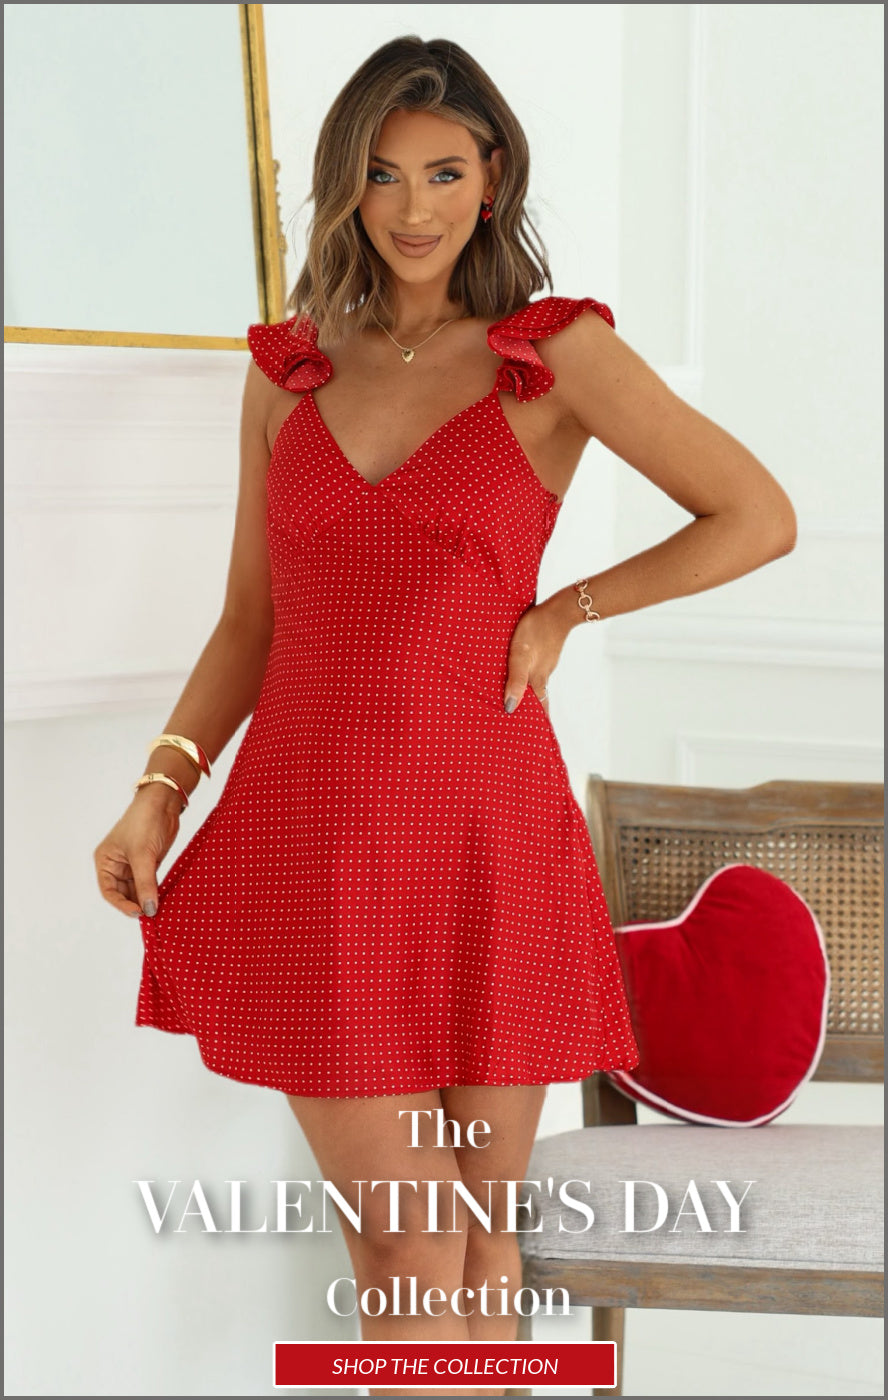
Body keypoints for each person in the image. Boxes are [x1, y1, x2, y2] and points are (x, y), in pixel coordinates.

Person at [93, 35, 796, 1399]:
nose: (413, 208)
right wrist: (161, 789)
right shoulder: (290, 371)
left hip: (487, 842)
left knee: (476, 1268)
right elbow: (251, 621)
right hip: (319, 854)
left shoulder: (555, 357)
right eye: (380, 175)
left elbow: (755, 516)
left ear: (493, 182)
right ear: (342, 192)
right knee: (413, 1266)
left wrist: (563, 609)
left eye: (445, 171)